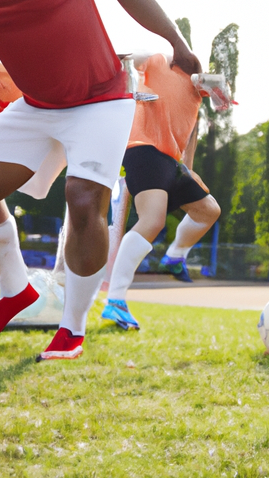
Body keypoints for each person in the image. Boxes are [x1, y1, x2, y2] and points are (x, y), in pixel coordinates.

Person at [0, 0, 200, 361]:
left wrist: (176, 40)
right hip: (34, 106)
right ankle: (15, 290)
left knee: (84, 200)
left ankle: (72, 328)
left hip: (101, 100)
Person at [101, 52, 220, 330]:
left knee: (208, 211)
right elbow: (124, 57)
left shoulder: (195, 92)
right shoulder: (158, 61)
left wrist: (187, 170)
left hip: (171, 161)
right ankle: (115, 301)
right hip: (143, 148)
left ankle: (175, 255)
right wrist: (126, 86)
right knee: (152, 221)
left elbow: (190, 134)